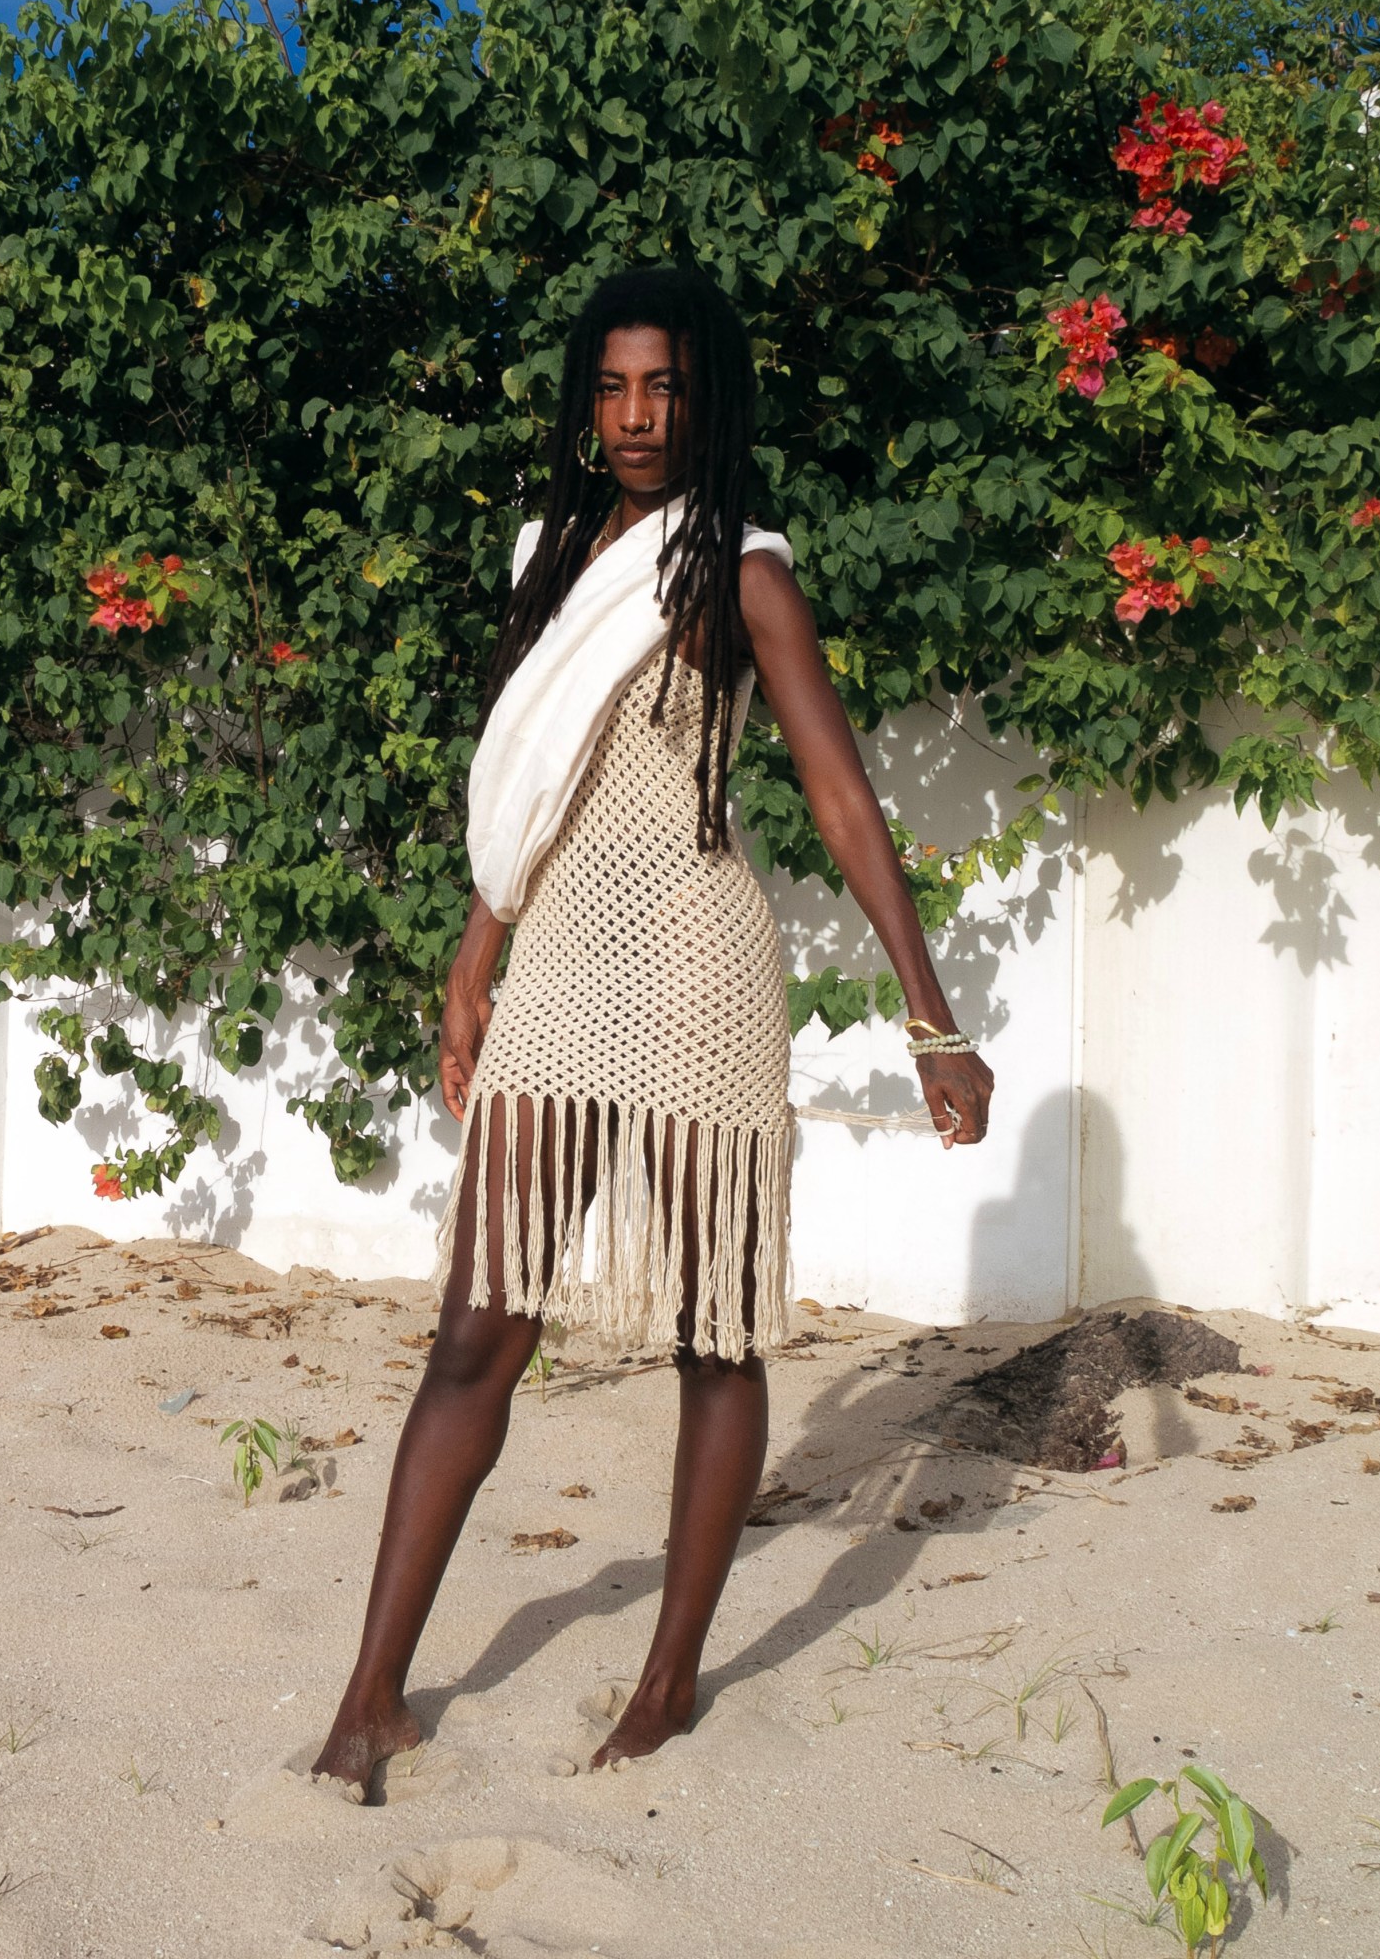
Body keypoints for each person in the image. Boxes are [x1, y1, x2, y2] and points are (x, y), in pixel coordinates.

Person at [313, 266, 993, 1799]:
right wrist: (474, 955)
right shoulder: (545, 558)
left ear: (706, 399)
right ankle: (369, 1699)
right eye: (612, 388)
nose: (633, 418)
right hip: (554, 964)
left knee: (711, 1332)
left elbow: (836, 795)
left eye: (663, 389)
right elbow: (522, 787)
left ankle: (672, 1677)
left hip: (697, 964)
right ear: (582, 402)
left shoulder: (739, 569)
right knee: (480, 1324)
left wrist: (930, 1016)